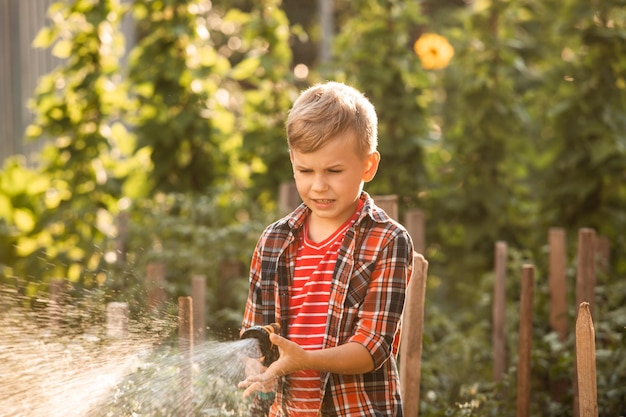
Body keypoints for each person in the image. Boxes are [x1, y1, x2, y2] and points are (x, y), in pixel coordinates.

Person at [238, 81, 414, 416]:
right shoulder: (273, 242)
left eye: (334, 171)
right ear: (292, 160)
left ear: (368, 166)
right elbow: (257, 334)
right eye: (305, 170)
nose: (318, 185)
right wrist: (256, 366)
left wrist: (304, 360)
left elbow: (373, 348)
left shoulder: (387, 241)